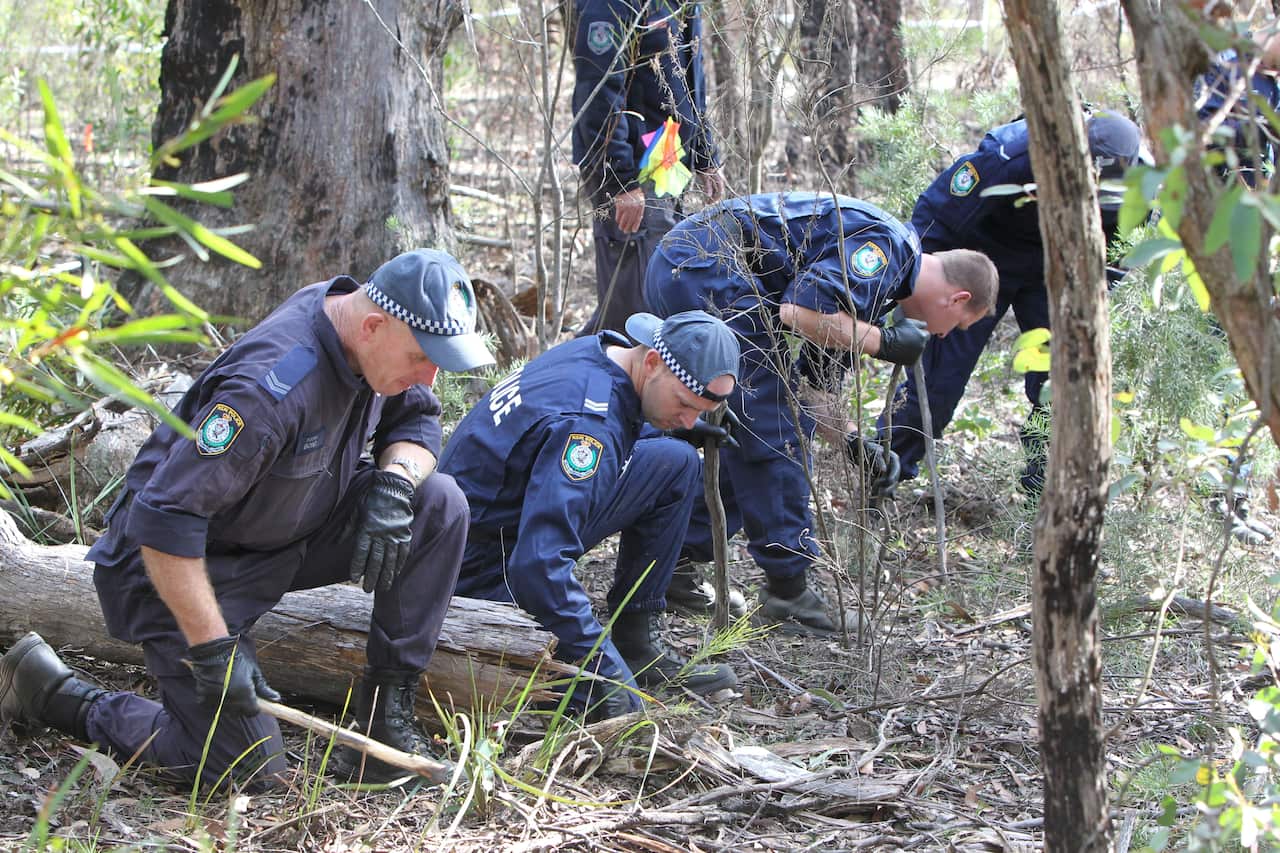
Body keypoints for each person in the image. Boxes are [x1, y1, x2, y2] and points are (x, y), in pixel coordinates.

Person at [0, 249, 495, 789]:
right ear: (373, 326)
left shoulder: (369, 338)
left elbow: (417, 422)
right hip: (180, 567)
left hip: (285, 531)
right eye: (422, 358)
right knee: (246, 769)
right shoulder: (270, 388)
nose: (429, 375)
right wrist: (214, 649)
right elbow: (165, 520)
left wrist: (395, 485)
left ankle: (385, 724)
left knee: (436, 504)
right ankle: (60, 696)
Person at [643, 192, 998, 634]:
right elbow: (798, 311)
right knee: (778, 431)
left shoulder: (877, 294)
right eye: (957, 327)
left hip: (692, 269)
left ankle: (673, 562)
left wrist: (855, 444)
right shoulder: (888, 249)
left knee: (758, 431)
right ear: (958, 298)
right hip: (702, 264)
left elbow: (814, 388)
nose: (942, 336)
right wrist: (883, 343)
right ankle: (788, 592)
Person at [438, 310, 740, 719]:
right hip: (477, 567)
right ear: (652, 361)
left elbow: (611, 417)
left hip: (508, 521)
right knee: (608, 699)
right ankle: (601, 669)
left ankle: (638, 643)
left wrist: (671, 425)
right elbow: (539, 566)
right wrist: (602, 666)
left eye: (700, 412)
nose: (690, 419)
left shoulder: (602, 352)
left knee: (675, 462)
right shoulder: (588, 427)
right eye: (685, 405)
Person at [876, 110, 1143, 497]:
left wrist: (1089, 305)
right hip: (985, 256)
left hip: (1061, 271)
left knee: (1063, 385)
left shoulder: (1139, 189)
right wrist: (911, 286)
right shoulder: (1012, 155)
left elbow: (1118, 257)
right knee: (938, 387)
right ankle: (883, 471)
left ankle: (1045, 499)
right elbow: (938, 218)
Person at [572, 0, 725, 335]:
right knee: (632, 306)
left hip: (670, 162)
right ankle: (591, 365)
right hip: (630, 169)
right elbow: (597, 93)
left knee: (662, 290)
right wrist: (620, 181)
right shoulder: (608, 6)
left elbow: (690, 75)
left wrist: (705, 153)